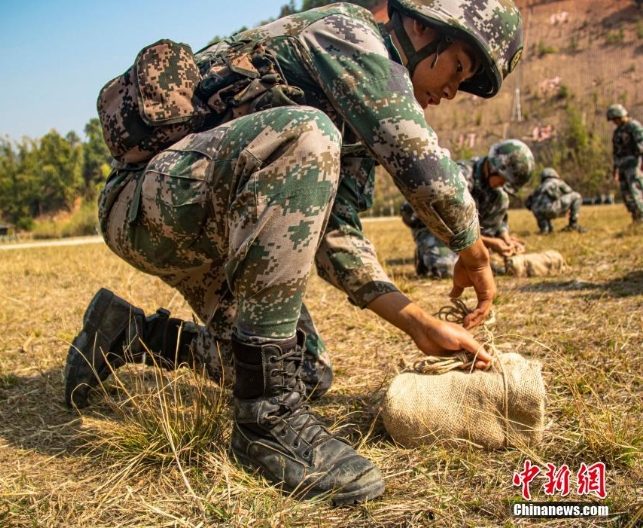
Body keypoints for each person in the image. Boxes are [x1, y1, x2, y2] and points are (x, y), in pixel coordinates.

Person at [65, 0, 524, 503]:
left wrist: (418, 323)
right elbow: (417, 158)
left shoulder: (351, 119)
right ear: (420, 25)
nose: (452, 90)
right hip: (148, 202)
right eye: (457, 67)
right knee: (307, 134)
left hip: (213, 227)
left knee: (303, 369)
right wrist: (473, 252)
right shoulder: (347, 34)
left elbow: (337, 236)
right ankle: (267, 421)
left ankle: (132, 335)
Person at [401, 140, 535, 278]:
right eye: (502, 180)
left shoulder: (496, 191)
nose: (503, 186)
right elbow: (449, 224)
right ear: (494, 168)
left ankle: (471, 256)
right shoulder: (459, 177)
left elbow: (499, 222)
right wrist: (491, 243)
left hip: (464, 233)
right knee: (447, 267)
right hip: (433, 226)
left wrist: (505, 240)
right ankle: (426, 252)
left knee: (501, 198)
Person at [607, 104, 643, 224]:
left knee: (635, 191)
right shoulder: (617, 132)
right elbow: (616, 151)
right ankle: (636, 218)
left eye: (615, 119)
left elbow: (641, 143)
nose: (615, 122)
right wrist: (615, 167)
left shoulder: (634, 126)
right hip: (623, 166)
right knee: (626, 194)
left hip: (634, 164)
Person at [525, 167, 587, 234]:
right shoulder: (557, 182)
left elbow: (530, 203)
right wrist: (568, 207)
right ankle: (573, 224)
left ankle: (545, 228)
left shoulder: (539, 187)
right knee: (576, 196)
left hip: (538, 213)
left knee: (543, 211)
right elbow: (569, 192)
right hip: (551, 208)